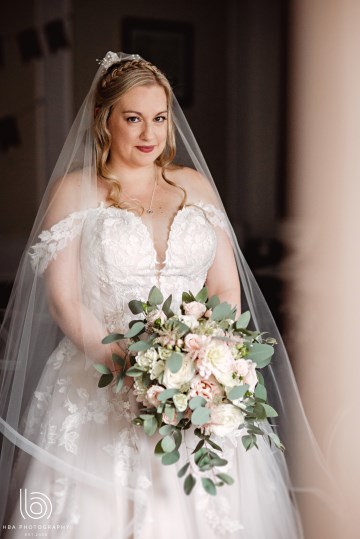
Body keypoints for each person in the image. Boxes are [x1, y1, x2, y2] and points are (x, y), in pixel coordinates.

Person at [0, 52, 334, 539]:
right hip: (99, 377)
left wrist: (209, 364)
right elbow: (64, 302)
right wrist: (128, 367)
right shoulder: (74, 191)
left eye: (159, 119)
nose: (149, 135)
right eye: (133, 119)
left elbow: (224, 287)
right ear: (104, 119)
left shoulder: (192, 185)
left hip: (199, 380)